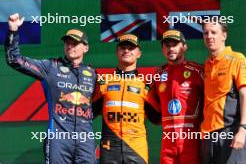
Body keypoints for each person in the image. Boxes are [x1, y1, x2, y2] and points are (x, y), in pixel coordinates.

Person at [4, 13, 97, 164]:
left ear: (85, 48)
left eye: (75, 43)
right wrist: (13, 32)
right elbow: (15, 60)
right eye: (67, 42)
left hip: (85, 140)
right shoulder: (51, 67)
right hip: (59, 139)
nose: (70, 46)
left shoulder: (92, 74)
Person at [92, 33, 160, 164]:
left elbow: (158, 118)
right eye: (123, 47)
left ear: (139, 53)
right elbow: (87, 114)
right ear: (117, 51)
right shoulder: (104, 82)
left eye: (131, 48)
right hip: (109, 148)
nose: (127, 50)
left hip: (136, 149)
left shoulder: (145, 85)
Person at [150, 29, 204, 164]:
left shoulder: (198, 71)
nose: (171, 49)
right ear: (163, 49)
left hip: (192, 140)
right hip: (168, 142)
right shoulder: (158, 74)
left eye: (175, 44)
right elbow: (150, 104)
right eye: (167, 45)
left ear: (184, 47)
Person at [201, 20, 246, 164]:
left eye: (214, 32)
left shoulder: (237, 58)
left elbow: (245, 95)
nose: (209, 36)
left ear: (224, 35)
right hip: (208, 136)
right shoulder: (207, 64)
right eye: (206, 33)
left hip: (230, 131)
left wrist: (242, 129)